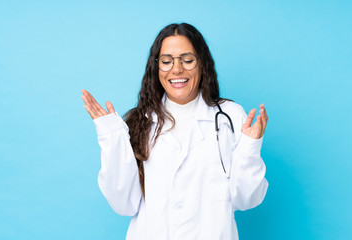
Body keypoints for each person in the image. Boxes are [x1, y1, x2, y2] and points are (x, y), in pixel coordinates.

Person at [81, 23, 268, 240]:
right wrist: (112, 137)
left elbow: (247, 199)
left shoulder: (230, 116)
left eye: (187, 60)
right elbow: (124, 204)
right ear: (156, 67)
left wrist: (250, 148)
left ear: (202, 64)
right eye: (167, 61)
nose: (176, 69)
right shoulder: (139, 121)